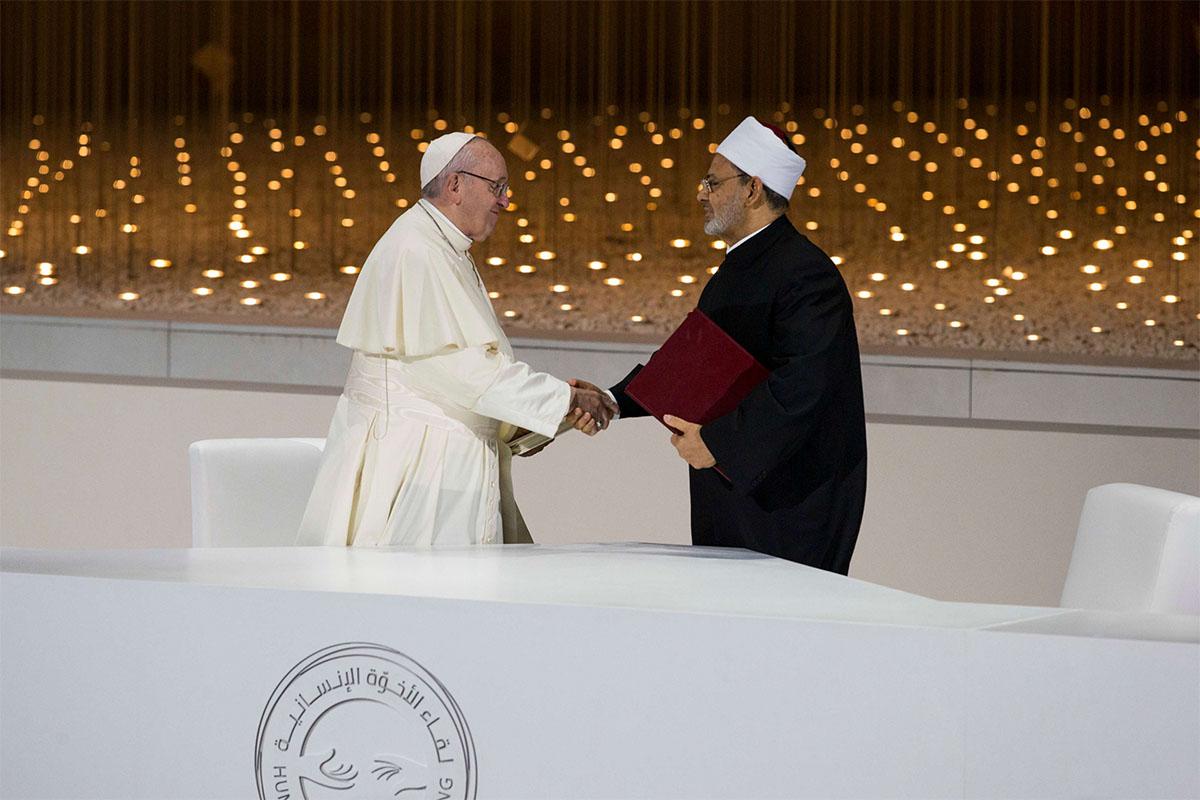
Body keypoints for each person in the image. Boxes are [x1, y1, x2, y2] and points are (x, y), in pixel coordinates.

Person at [577, 116, 867, 573]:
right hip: (737, 500)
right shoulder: (739, 269)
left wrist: (719, 444)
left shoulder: (807, 276)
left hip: (789, 512)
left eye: (713, 181)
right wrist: (612, 400)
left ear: (752, 188)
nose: (701, 193)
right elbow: (693, 364)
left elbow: (805, 386)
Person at [297, 131, 615, 548]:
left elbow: (466, 376)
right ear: (454, 185)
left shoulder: (443, 247)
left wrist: (553, 411)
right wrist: (563, 401)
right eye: (496, 188)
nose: (504, 201)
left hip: (441, 465)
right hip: (419, 471)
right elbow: (466, 374)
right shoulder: (416, 250)